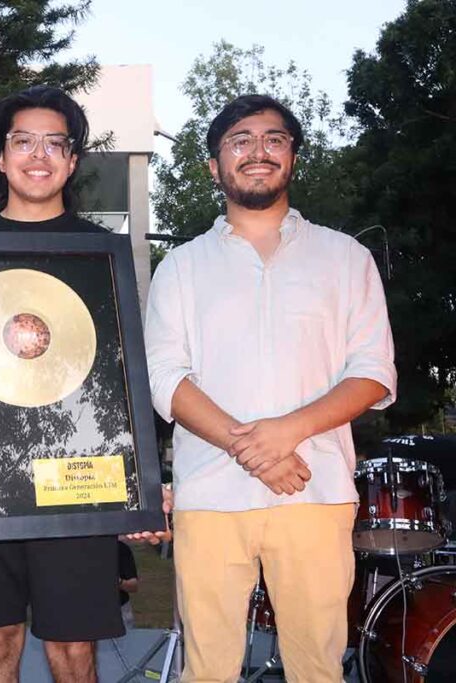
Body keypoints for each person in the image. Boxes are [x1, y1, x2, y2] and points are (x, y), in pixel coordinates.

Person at [0, 85, 170, 683]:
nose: (38, 154)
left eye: (55, 143)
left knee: (74, 655)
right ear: (1, 156)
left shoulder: (100, 258)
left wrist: (141, 484)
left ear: (71, 161)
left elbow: (119, 383)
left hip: (75, 483)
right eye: (23, 141)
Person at [145, 94, 396, 682]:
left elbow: (373, 372)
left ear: (293, 157)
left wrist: (285, 435)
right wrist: (250, 450)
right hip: (209, 496)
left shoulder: (346, 257)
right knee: (206, 672)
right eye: (239, 141)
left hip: (315, 489)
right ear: (214, 164)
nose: (257, 152)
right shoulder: (179, 267)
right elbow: (167, 378)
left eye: (273, 139)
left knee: (317, 669)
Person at [117, 540, 139, 630]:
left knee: (126, 641)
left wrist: (119, 582)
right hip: (88, 611)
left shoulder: (121, 548)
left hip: (120, 609)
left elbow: (134, 586)